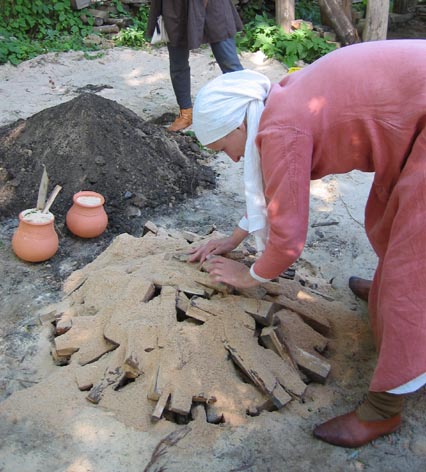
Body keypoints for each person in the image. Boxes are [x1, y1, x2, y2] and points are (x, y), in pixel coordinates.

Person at [188, 39, 426, 448]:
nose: (228, 159)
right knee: (392, 221)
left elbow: (287, 241)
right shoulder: (275, 103)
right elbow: (269, 192)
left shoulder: (280, 131)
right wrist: (234, 239)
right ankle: (387, 296)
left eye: (223, 148)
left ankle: (384, 409)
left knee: (415, 262)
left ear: (238, 126)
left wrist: (248, 276)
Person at [147, 0, 244, 132]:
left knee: (229, 62)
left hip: (212, 4)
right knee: (178, 61)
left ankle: (246, 110)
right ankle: (186, 113)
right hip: (175, 7)